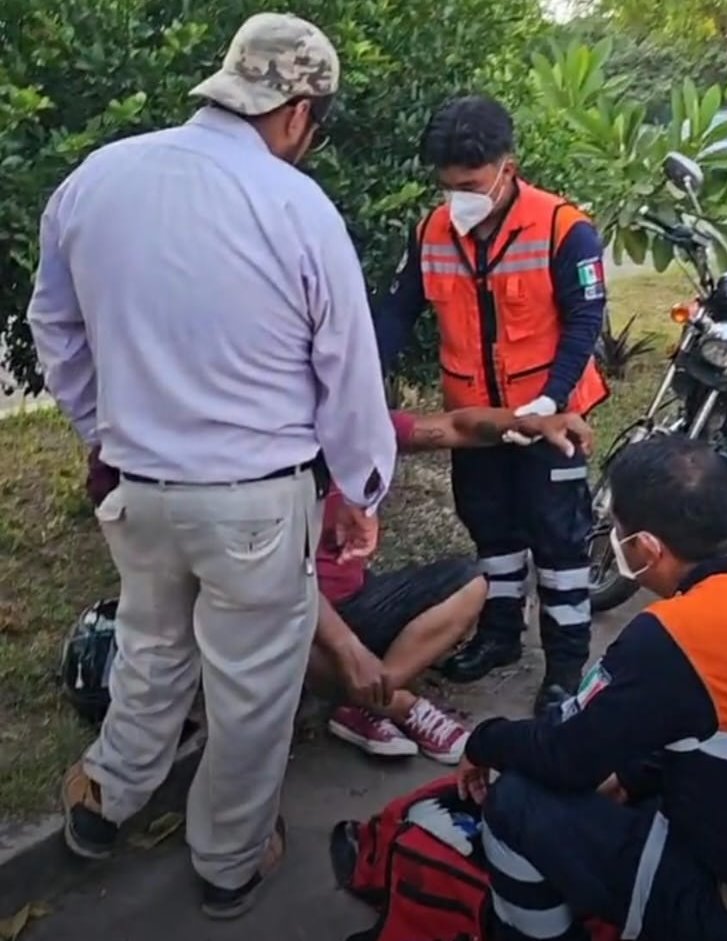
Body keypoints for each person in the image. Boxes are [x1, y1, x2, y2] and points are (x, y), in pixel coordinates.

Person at [27, 12, 396, 920]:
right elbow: (347, 366)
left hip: (140, 495)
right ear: (300, 110)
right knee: (251, 689)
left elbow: (53, 328)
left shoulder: (98, 177)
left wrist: (102, 431)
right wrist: (358, 484)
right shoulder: (294, 204)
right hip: (255, 506)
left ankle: (104, 803)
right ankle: (229, 860)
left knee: (152, 649)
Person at [458, 435, 727, 941]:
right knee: (631, 777)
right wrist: (635, 776)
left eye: (618, 533)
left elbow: (563, 757)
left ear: (647, 548)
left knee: (517, 801)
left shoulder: (675, 635)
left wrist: (484, 739)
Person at [375, 94, 610, 716]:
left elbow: (586, 319)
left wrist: (550, 399)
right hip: (475, 420)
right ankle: (500, 636)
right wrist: (360, 374)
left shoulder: (563, 228)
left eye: (471, 184)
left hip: (552, 419)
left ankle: (565, 665)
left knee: (559, 543)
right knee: (492, 531)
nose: (459, 198)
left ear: (508, 165)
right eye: (448, 186)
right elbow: (399, 312)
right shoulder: (431, 230)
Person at [310, 407, 594, 765]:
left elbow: (454, 425)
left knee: (469, 583)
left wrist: (530, 423)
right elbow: (279, 585)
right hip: (297, 614)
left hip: (358, 598)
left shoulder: (357, 425)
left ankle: (365, 700)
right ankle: (397, 705)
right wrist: (347, 646)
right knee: (278, 626)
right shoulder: (263, 458)